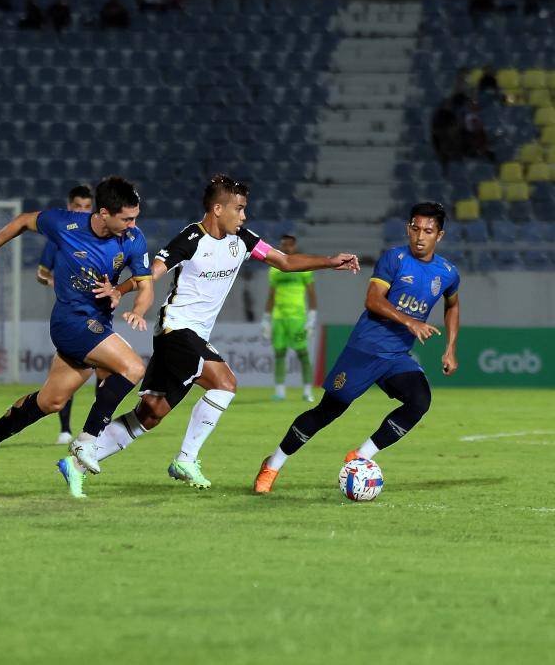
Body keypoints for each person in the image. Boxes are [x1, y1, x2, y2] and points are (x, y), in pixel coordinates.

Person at [67, 175, 359, 496]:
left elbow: (286, 261)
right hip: (175, 329)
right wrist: (120, 290)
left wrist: (330, 262)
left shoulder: (243, 240)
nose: (244, 216)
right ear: (218, 209)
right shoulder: (191, 238)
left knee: (150, 415)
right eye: (240, 208)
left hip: (192, 337)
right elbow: (153, 272)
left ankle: (79, 462)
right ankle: (186, 458)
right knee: (225, 382)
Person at [0, 176, 154, 496]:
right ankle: (86, 442)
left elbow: (145, 286)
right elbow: (23, 221)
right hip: (70, 322)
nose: (133, 224)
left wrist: (137, 308)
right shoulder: (65, 224)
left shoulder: (133, 239)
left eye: (135, 217)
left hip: (98, 325)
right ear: (104, 213)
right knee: (133, 368)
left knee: (51, 401)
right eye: (127, 218)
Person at [255, 202, 460, 494]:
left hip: (396, 356)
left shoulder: (448, 272)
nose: (419, 236)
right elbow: (373, 300)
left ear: (439, 235)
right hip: (365, 349)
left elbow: (453, 304)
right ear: (408, 228)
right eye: (415, 228)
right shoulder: (394, 259)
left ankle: (361, 457)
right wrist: (410, 322)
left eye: (428, 231)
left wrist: (451, 347)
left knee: (420, 401)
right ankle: (272, 465)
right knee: (328, 410)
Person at [36, 184, 103, 445]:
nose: (83, 211)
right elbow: (41, 272)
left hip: (99, 315)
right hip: (72, 316)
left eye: (87, 207)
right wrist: (51, 279)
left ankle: (96, 428)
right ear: (69, 206)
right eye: (78, 206)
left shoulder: (102, 236)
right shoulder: (61, 237)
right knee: (70, 374)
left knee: (105, 372)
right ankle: (65, 429)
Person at [261, 234, 318, 403]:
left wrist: (312, 317)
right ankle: (280, 392)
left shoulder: (303, 267)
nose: (286, 249)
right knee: (279, 353)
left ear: (294, 247)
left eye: (289, 246)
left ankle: (307, 391)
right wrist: (266, 318)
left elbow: (312, 293)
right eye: (283, 245)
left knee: (302, 353)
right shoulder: (274, 270)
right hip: (279, 318)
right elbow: (271, 296)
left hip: (297, 318)